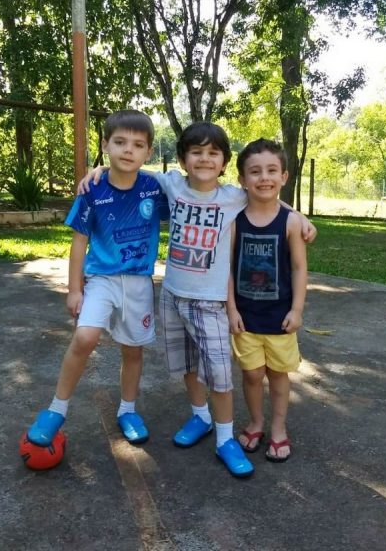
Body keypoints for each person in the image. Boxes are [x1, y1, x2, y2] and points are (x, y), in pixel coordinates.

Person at [79, 121, 316, 478]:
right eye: (196, 152)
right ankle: (200, 416)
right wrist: (97, 171)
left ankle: (225, 438)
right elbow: (129, 169)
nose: (204, 159)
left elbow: (266, 195)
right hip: (173, 295)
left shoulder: (233, 197)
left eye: (213, 153)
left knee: (219, 374)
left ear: (224, 163)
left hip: (211, 302)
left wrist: (299, 216)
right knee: (188, 365)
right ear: (182, 159)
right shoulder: (171, 184)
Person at [26, 109, 168, 448]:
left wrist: (103, 167)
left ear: (149, 152)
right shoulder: (92, 190)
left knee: (132, 351)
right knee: (84, 338)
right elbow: (79, 242)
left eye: (138, 145)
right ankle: (56, 410)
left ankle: (128, 410)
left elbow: (190, 190)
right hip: (101, 279)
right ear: (105, 145)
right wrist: (74, 289)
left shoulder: (153, 188)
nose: (128, 150)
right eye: (120, 142)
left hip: (139, 282)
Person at [227, 139, 307, 463]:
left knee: (277, 374)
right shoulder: (234, 219)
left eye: (272, 170)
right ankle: (256, 422)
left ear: (284, 177)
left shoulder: (291, 221)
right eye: (255, 171)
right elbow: (226, 268)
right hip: (245, 317)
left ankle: (278, 427)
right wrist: (231, 308)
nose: (264, 178)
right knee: (251, 374)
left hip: (280, 318)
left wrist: (297, 309)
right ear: (242, 179)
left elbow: (299, 267)